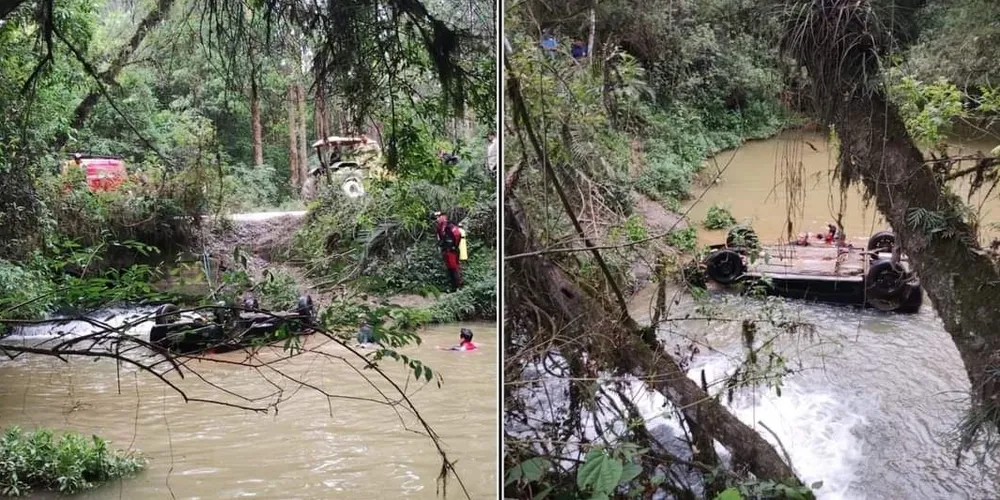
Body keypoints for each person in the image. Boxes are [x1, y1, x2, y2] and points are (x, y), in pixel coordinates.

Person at [434, 212, 463, 291]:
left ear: (444, 217)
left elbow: (457, 235)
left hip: (451, 250)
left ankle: (458, 287)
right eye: (436, 217)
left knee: (454, 268)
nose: (437, 219)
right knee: (450, 269)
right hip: (445, 250)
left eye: (438, 217)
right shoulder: (439, 227)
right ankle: (453, 287)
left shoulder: (449, 225)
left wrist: (454, 246)